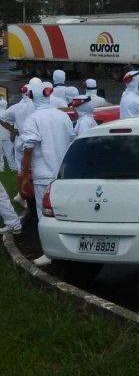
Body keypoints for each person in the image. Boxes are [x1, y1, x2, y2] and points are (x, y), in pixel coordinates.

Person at [20, 80, 75, 266]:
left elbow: (28, 149)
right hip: (64, 174)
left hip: (43, 174)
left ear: (31, 96)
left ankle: (49, 253)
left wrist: (24, 173)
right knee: (64, 212)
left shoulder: (33, 119)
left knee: (44, 215)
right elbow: (72, 140)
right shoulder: (62, 116)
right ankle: (69, 249)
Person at [0, 98, 16, 172]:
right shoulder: (7, 113)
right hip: (7, 135)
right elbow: (12, 124)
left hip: (2, 135)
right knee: (9, 154)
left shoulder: (7, 113)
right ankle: (13, 167)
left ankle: (1, 168)